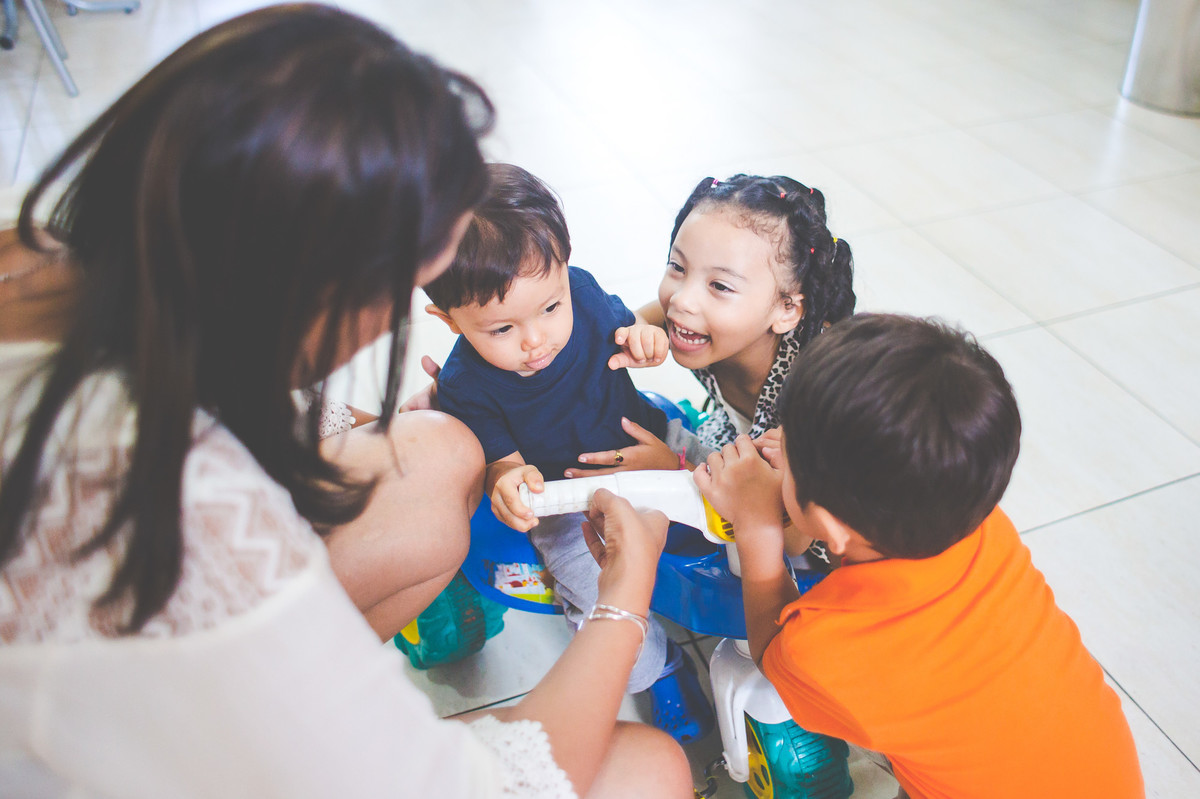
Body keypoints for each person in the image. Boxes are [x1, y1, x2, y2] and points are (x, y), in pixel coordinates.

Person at [0, 5, 692, 797]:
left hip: (126, 685)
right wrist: (624, 598)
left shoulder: (58, 245)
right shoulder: (191, 515)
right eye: (403, 289)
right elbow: (468, 786)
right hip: (145, 741)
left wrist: (355, 423)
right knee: (652, 768)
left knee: (437, 455)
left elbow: (292, 420)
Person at [695, 313, 1145, 799]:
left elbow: (770, 653)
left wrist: (758, 527)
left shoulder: (823, 647)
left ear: (830, 526)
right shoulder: (979, 522)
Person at [422, 162, 712, 742]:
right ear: (449, 320)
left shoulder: (582, 291)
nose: (536, 340)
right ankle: (659, 668)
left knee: (732, 492)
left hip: (651, 441)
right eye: (502, 330)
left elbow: (631, 331)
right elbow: (504, 465)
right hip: (570, 502)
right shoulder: (465, 385)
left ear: (565, 271)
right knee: (592, 590)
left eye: (550, 308)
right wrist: (509, 482)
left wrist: (646, 340)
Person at [569, 173, 856, 488]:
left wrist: (675, 468)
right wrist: (637, 331)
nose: (681, 300)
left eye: (720, 286)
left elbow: (782, 508)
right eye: (678, 267)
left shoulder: (817, 394)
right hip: (736, 439)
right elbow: (631, 320)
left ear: (787, 309)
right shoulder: (696, 320)